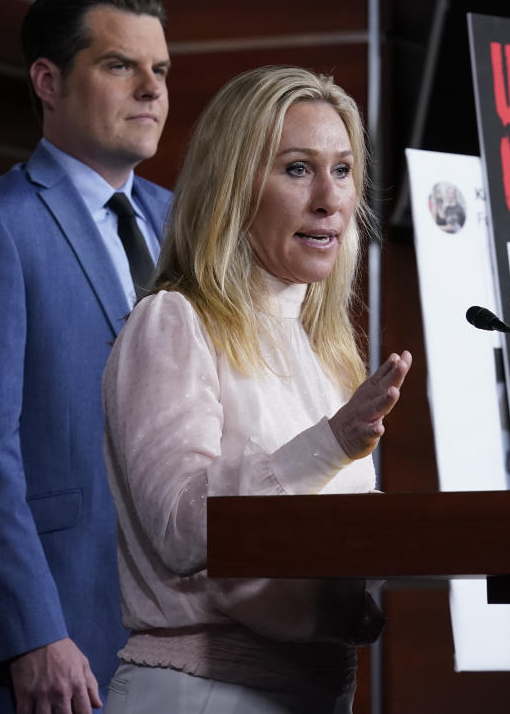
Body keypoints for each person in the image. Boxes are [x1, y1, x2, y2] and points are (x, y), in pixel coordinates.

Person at [102, 66, 412, 713]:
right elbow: (182, 527)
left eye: (344, 169)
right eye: (298, 169)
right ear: (233, 185)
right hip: (207, 692)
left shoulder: (323, 349)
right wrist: (329, 444)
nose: (330, 198)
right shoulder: (176, 321)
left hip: (318, 689)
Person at [0, 0, 173, 713]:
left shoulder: (185, 221)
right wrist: (33, 632)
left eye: (159, 69)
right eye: (120, 65)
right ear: (49, 81)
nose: (151, 88)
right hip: (50, 644)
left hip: (181, 638)